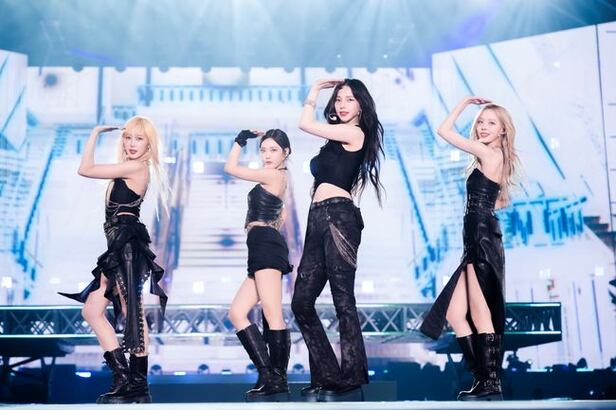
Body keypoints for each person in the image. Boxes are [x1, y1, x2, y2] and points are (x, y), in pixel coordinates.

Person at [59, 116, 169, 404]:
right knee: (92, 310)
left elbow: (85, 169)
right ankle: (124, 378)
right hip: (117, 247)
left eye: (139, 138)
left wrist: (95, 133)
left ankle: (137, 384)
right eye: (127, 137)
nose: (131, 144)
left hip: (127, 246)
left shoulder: (137, 167)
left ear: (149, 144)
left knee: (133, 313)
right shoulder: (129, 167)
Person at [291, 78, 385, 402]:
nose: (342, 105)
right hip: (316, 217)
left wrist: (314, 91)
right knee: (301, 302)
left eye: (349, 99)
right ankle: (328, 375)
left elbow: (305, 123)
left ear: (361, 106)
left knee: (343, 299)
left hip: (339, 217)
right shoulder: (335, 137)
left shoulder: (354, 133)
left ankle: (352, 376)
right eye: (339, 99)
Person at [420, 97, 519, 401]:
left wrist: (464, 103)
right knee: (454, 313)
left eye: (491, 123)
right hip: (478, 234)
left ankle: (490, 381)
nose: (483, 127)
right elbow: (498, 201)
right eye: (481, 122)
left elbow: (444, 131)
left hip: (480, 237)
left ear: (503, 130)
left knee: (480, 310)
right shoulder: (492, 157)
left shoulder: (489, 153)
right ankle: (482, 377)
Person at [225, 129, 294, 402]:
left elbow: (231, 168)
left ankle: (277, 379)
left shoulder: (273, 175)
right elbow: (282, 214)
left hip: (265, 246)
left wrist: (239, 142)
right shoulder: (278, 178)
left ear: (286, 152)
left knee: (272, 313)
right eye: (263, 150)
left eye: (273, 150)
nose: (267, 155)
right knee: (237, 312)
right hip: (260, 245)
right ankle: (268, 375)